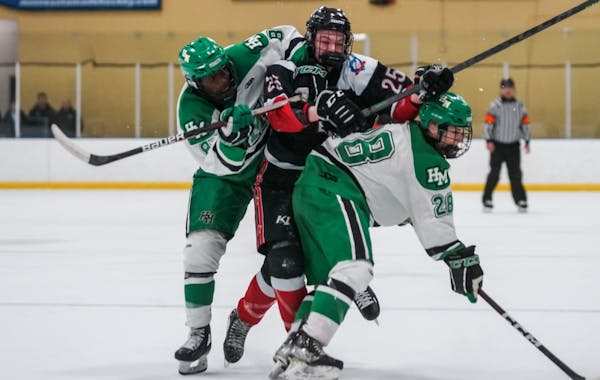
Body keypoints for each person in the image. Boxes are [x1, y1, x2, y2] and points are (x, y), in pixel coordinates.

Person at [223, 5, 455, 366]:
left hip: (334, 180)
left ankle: (325, 297)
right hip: (283, 179)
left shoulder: (358, 69)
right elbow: (282, 118)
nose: (332, 47)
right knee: (285, 262)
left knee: (322, 257)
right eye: (324, 39)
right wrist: (318, 109)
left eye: (339, 40)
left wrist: (423, 92)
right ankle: (281, 339)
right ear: (310, 37)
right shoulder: (285, 67)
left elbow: (400, 104)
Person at [271, 92, 484, 379]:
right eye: (451, 133)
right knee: (355, 267)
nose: (457, 140)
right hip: (331, 187)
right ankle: (306, 349)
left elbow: (400, 196)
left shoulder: (405, 136)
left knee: (328, 281)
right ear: (432, 126)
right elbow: (435, 223)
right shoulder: (425, 158)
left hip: (314, 186)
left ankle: (294, 346)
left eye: (461, 133)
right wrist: (458, 257)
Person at [173, 27, 309, 375]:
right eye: (211, 79)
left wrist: (291, 71)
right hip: (226, 180)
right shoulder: (191, 109)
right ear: (195, 84)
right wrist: (233, 134)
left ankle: (255, 319)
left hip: (275, 167)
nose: (222, 79)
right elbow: (220, 163)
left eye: (222, 70)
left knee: (286, 252)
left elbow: (289, 34)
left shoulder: (246, 54)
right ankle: (198, 333)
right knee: (200, 249)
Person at [481, 77, 531, 212]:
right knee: (494, 174)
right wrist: (488, 140)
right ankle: (487, 199)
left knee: (515, 175)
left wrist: (527, 141)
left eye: (510, 88)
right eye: (505, 88)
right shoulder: (495, 106)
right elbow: (488, 124)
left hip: (513, 146)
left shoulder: (520, 107)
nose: (508, 90)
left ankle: (521, 200)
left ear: (514, 90)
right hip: (497, 146)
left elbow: (525, 125)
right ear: (501, 90)